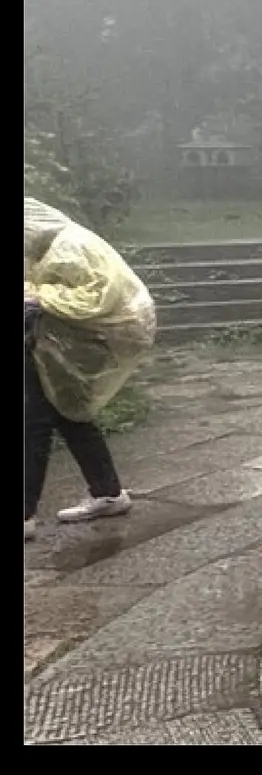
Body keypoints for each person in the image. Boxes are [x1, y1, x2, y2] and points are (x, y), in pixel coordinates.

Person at [25, 198, 153, 539]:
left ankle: (24, 514)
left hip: (103, 331)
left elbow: (97, 297)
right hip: (74, 333)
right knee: (68, 411)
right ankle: (108, 492)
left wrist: (38, 297)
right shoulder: (44, 253)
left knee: (34, 417)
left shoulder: (72, 247)